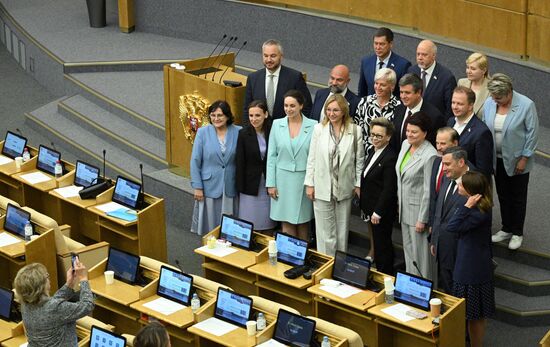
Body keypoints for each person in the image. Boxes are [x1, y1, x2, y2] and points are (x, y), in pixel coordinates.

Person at [484, 73, 539, 250]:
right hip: (496, 159)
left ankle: (517, 232)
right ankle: (506, 228)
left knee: (518, 198)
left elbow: (533, 134)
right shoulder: (490, 102)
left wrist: (524, 158)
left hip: (518, 161)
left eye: (499, 97)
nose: (495, 100)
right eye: (493, 97)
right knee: (503, 195)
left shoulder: (526, 105)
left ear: (509, 93)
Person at [304, 94, 364, 256]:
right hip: (322, 186)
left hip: (344, 187)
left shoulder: (355, 131)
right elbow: (312, 158)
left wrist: (357, 184)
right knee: (324, 233)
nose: (332, 113)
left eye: (336, 110)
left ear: (344, 111)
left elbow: (359, 160)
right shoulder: (319, 129)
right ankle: (325, 265)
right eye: (329, 110)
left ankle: (340, 266)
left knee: (341, 230)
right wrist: (310, 183)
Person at [447, 171, 495, 347]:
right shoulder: (477, 206)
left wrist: (466, 207)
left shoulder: (479, 211)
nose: (458, 186)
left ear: (470, 190)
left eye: (460, 185)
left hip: (473, 270)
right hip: (468, 265)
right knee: (470, 315)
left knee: (474, 316)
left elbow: (452, 226)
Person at [266, 90, 316, 240]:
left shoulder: (314, 126)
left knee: (302, 222)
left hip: (303, 181)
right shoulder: (277, 124)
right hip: (282, 181)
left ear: (301, 106)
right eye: (286, 105)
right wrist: (271, 183)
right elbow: (271, 156)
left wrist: (311, 183)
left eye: (292, 105)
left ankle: (303, 257)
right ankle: (289, 257)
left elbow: (314, 158)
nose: (288, 109)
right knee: (286, 220)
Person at [395, 111, 437, 279]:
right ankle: (411, 290)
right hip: (404, 210)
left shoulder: (430, 155)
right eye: (408, 130)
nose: (409, 134)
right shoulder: (405, 144)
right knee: (409, 255)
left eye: (414, 132)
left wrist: (423, 218)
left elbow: (428, 190)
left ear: (425, 133)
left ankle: (425, 293)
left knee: (422, 258)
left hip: (418, 214)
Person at [14, 261, 94, 346]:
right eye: (47, 276)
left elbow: (53, 303)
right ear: (41, 286)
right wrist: (83, 279)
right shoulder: (55, 308)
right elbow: (88, 305)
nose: (49, 279)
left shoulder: (25, 304)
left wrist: (69, 284)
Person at [190, 100, 241, 235]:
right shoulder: (202, 132)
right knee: (211, 226)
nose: (216, 119)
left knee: (230, 225)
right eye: (213, 115)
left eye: (220, 115)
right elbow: (195, 161)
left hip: (231, 184)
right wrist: (197, 187)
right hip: (209, 186)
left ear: (228, 116)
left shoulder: (239, 131)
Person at [359, 117, 398, 275]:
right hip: (371, 207)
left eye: (379, 136)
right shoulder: (372, 151)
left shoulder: (390, 157)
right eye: (372, 135)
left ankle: (385, 275)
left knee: (383, 246)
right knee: (379, 243)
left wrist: (378, 211)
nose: (374, 138)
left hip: (381, 212)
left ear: (388, 137)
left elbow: (389, 188)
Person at [430, 147, 471, 293]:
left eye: (447, 164)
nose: (444, 168)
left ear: (461, 162)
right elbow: (438, 212)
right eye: (443, 164)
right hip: (443, 245)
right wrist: (435, 239)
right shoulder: (447, 178)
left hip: (461, 250)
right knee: (447, 286)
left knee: (460, 293)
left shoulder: (475, 182)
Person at [243, 39, 312, 123]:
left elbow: (306, 106)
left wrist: (297, 128)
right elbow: (247, 109)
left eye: (273, 56)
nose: (268, 60)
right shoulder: (253, 78)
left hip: (287, 131)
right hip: (261, 130)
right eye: (265, 55)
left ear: (281, 56)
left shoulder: (295, 77)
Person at [236, 100, 276, 232]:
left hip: (270, 182)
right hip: (250, 184)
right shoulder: (243, 133)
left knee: (268, 222)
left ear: (265, 114)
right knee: (249, 221)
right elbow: (240, 162)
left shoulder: (273, 130)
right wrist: (239, 187)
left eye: (257, 115)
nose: (254, 119)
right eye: (251, 115)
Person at [447, 86, 493, 177]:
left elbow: (483, 170)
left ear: (470, 106)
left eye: (460, 104)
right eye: (453, 103)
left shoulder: (482, 132)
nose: (455, 107)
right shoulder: (450, 122)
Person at [391, 73, 445, 149]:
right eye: (401, 92)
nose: (403, 96)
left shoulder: (434, 116)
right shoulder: (398, 110)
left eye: (407, 93)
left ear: (419, 92)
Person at [354, 68, 401, 153]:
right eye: (376, 83)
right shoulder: (364, 102)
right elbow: (357, 130)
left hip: (387, 157)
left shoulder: (399, 106)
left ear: (392, 87)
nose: (378, 87)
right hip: (364, 154)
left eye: (382, 85)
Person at [408, 40, 457, 119]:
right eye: (418, 54)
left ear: (434, 56)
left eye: (424, 55)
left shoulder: (446, 77)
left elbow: (449, 109)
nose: (420, 58)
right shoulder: (411, 71)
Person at [358, 27, 411, 98]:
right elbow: (362, 91)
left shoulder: (403, 65)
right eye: (376, 43)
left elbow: (403, 93)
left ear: (391, 44)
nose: (378, 47)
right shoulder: (366, 62)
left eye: (382, 44)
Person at [428, 127, 459, 227]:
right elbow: (433, 195)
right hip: (436, 220)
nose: (438, 147)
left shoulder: (461, 167)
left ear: (455, 143)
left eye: (443, 144)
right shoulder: (436, 161)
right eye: (437, 143)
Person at [457, 52, 490, 119]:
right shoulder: (462, 83)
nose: (468, 71)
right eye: (468, 67)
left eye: (473, 69)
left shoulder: (491, 89)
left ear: (483, 70)